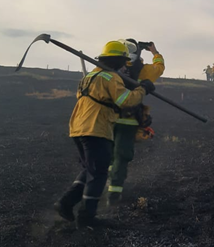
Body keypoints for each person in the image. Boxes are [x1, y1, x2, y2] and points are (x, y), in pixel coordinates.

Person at [54, 41, 155, 227]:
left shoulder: (91, 76)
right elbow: (125, 100)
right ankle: (86, 217)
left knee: (90, 169)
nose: (125, 65)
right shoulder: (110, 77)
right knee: (99, 172)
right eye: (123, 61)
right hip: (96, 128)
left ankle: (66, 203)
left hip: (78, 127)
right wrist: (144, 89)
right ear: (116, 60)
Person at [107, 40, 165, 205]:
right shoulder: (144, 70)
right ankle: (114, 192)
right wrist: (154, 52)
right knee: (122, 154)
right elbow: (159, 67)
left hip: (107, 117)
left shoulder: (111, 67)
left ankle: (106, 181)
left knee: (109, 151)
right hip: (129, 118)